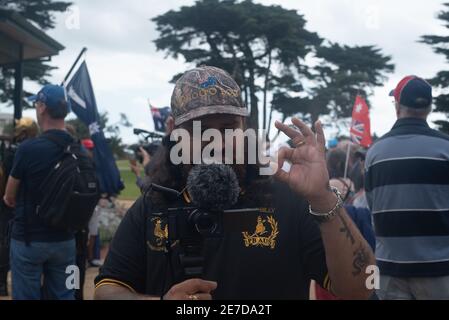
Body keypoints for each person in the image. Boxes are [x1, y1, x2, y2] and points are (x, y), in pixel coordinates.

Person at [94, 66, 375, 300]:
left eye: (228, 127)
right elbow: (107, 289)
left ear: (244, 128)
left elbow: (362, 290)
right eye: (199, 129)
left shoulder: (287, 198)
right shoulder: (154, 203)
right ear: (173, 132)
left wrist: (323, 197)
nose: (217, 141)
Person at [365, 75, 449, 300]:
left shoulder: (375, 152)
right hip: (440, 271)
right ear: (429, 108)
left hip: (389, 270)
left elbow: (373, 207)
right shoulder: (445, 147)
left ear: (397, 106)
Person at [3, 84, 76, 300]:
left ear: (42, 107)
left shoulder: (28, 149)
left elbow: (9, 196)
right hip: (66, 240)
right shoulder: (77, 148)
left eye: (36, 103)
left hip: (29, 240)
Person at [0, 118, 39, 296]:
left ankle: (1, 283)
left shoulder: (11, 154)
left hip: (10, 204)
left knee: (5, 243)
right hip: (31, 206)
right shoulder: (38, 152)